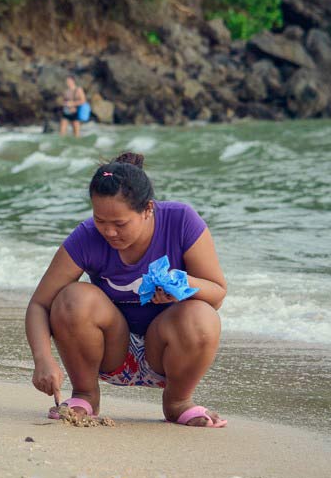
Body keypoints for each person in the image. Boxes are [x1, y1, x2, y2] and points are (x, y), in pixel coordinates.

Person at [25, 152, 228, 427]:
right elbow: (40, 304)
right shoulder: (87, 236)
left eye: (120, 224)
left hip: (167, 350)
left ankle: (178, 402)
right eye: (100, 220)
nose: (108, 232)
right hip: (110, 350)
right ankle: (85, 395)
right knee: (73, 298)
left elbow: (217, 293)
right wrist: (43, 360)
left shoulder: (181, 221)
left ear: (148, 209)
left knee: (202, 315)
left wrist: (182, 285)